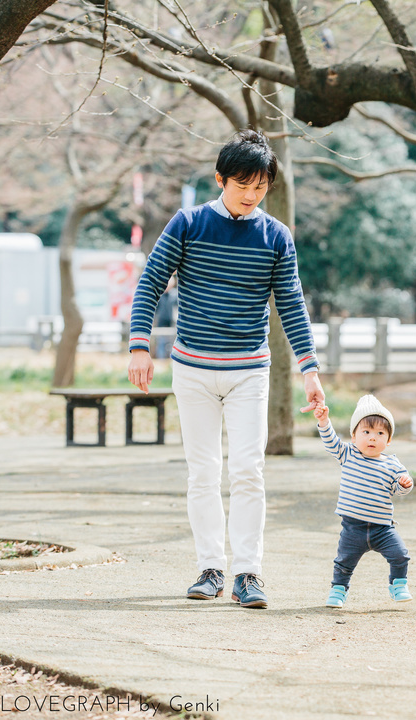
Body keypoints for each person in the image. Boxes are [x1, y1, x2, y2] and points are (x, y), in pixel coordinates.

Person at [127, 129, 324, 610]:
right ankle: (210, 568)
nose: (251, 195)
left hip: (248, 372)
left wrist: (310, 369)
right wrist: (139, 346)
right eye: (242, 185)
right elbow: (151, 281)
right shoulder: (189, 223)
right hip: (192, 368)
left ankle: (248, 573)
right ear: (221, 179)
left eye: (260, 188)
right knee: (202, 471)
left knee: (249, 470)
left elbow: (292, 305)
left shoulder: (276, 236)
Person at [314, 395, 414, 609]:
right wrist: (324, 422)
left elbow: (398, 489)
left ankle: (398, 585)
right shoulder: (348, 454)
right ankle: (338, 590)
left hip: (382, 529)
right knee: (344, 562)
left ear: (388, 440)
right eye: (366, 432)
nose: (372, 438)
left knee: (401, 555)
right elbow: (331, 442)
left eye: (380, 434)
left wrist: (405, 485)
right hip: (353, 528)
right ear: (354, 435)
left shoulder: (393, 464)